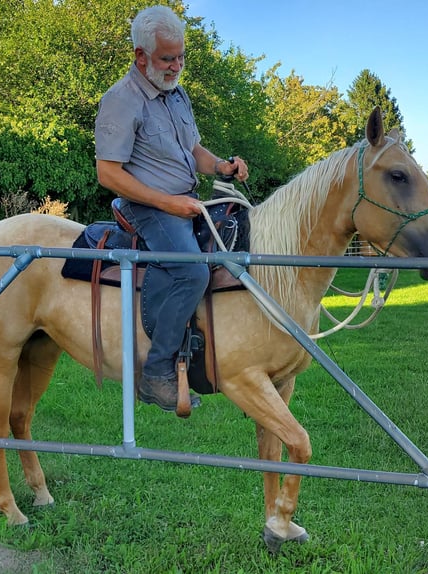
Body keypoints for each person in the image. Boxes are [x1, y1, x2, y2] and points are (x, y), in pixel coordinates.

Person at [94, 5, 249, 412]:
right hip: (148, 207)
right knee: (192, 269)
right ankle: (157, 372)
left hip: (185, 201)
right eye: (167, 58)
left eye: (180, 56)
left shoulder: (177, 94)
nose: (176, 65)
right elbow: (107, 173)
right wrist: (168, 203)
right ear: (139, 56)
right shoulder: (120, 100)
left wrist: (221, 166)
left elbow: (193, 149)